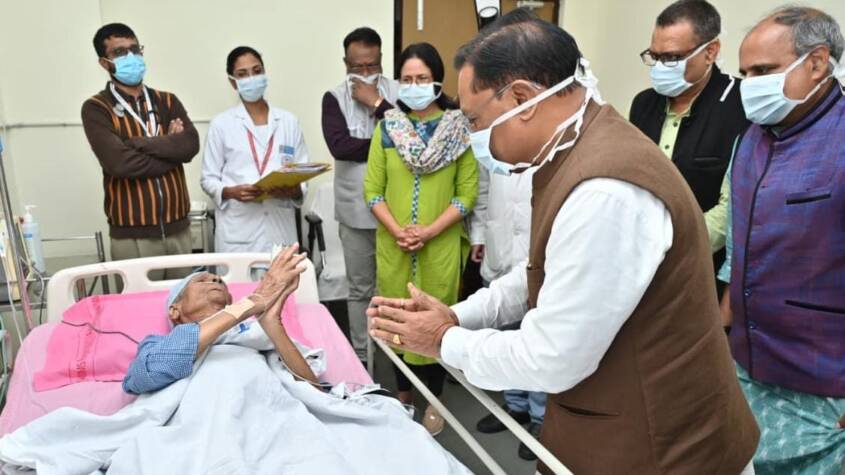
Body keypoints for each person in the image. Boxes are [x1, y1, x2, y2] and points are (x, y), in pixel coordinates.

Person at [367, 13, 759, 474]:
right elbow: (544, 269)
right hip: (615, 421)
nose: (472, 136)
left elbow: (552, 357)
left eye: (474, 120)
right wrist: (458, 315)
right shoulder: (576, 146)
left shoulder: (606, 190)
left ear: (521, 100)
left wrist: (442, 341)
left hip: (668, 448)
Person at [726, 6, 845, 474]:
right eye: (744, 74)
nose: (749, 85)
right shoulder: (750, 139)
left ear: (816, 63)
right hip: (748, 369)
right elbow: (738, 249)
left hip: (825, 387)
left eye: (762, 71)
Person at [363, 42, 478, 436]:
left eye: (422, 78)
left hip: (439, 246)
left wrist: (428, 231)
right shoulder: (387, 128)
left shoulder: (459, 130)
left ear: (437, 81)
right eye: (407, 79)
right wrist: (398, 230)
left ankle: (434, 400)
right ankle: (402, 396)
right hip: (394, 245)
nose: (414, 86)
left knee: (435, 321)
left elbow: (466, 194)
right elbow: (372, 190)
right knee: (396, 319)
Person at [629, 0, 748, 288]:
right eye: (654, 56)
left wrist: (668, 247)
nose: (660, 67)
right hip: (639, 264)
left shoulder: (741, 104)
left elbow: (735, 206)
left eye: (672, 58)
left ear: (710, 51)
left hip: (705, 269)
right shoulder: (643, 104)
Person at [82, 23, 199, 279]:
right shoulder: (96, 108)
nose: (130, 56)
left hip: (179, 231)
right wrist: (170, 148)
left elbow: (190, 145)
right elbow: (120, 164)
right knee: (137, 306)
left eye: (135, 49)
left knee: (185, 302)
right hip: (132, 237)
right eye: (120, 52)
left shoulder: (167, 100)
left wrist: (137, 143)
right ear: (104, 63)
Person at [123, 244, 316, 394]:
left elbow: (315, 393)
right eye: (201, 281)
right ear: (175, 310)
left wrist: (272, 323)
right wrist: (249, 304)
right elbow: (143, 378)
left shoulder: (256, 335)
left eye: (220, 282)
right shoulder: (157, 344)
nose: (215, 280)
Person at [321, 27, 399, 363]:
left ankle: (396, 354)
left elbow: (412, 136)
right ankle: (361, 355)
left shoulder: (398, 93)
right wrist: (387, 142)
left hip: (396, 211)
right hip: (355, 212)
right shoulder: (333, 98)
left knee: (395, 288)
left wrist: (377, 103)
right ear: (345, 63)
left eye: (372, 65)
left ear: (381, 59)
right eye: (357, 67)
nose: (365, 72)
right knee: (359, 289)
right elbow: (340, 146)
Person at [201, 46, 309, 253]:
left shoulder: (289, 121)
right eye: (243, 74)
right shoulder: (221, 124)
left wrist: (294, 190)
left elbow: (302, 173)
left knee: (283, 272)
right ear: (233, 82)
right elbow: (208, 179)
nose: (252, 78)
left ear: (264, 72)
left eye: (257, 71)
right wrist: (230, 192)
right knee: (241, 276)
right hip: (239, 232)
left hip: (280, 230)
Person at [470, 166, 545, 461]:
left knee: (535, 340)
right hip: (498, 247)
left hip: (534, 252)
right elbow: (483, 192)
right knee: (503, 336)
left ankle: (540, 416)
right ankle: (515, 406)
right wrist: (478, 235)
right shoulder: (491, 148)